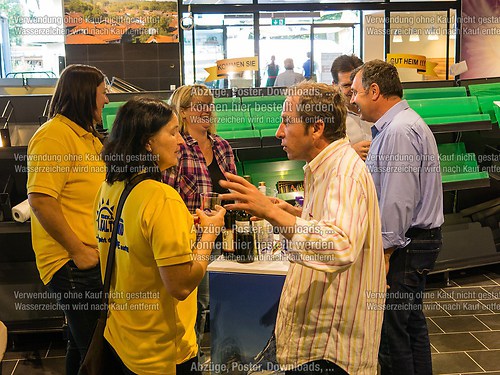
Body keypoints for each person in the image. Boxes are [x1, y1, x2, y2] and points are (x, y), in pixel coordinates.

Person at [220, 81, 386, 374]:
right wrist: (287, 213)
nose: (278, 132)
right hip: (320, 343)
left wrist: (272, 211)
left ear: (317, 128)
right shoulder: (327, 168)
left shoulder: (342, 174)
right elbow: (328, 225)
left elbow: (339, 244)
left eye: (286, 122)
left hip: (331, 351)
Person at [95, 97, 225, 374]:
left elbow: (136, 244)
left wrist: (180, 228)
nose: (180, 141)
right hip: (161, 351)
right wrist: (209, 235)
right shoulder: (162, 197)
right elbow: (180, 286)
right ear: (147, 141)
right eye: (173, 132)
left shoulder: (110, 187)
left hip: (122, 336)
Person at [350, 60, 444, 375]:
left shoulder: (400, 131)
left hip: (405, 246)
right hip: (415, 242)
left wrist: (385, 252)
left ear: (374, 91)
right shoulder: (399, 125)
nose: (352, 100)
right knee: (410, 326)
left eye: (356, 92)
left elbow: (398, 200)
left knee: (391, 335)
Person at [27, 64, 109, 375]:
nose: (108, 100)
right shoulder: (53, 136)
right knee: (99, 351)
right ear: (85, 95)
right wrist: (78, 250)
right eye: (104, 93)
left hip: (88, 259)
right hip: (72, 263)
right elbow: (41, 199)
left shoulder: (87, 138)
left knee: (82, 347)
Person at [164, 84, 237, 348]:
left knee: (220, 304)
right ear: (182, 112)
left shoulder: (222, 146)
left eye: (209, 105)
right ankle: (188, 356)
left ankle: (213, 356)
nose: (207, 110)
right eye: (199, 106)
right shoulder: (176, 149)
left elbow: (233, 190)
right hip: (190, 241)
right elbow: (167, 195)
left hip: (224, 238)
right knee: (197, 304)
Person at [331, 54, 372, 160]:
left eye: (357, 83)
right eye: (347, 85)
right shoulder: (329, 117)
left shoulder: (377, 109)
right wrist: (350, 153)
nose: (353, 89)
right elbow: (320, 158)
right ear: (334, 85)